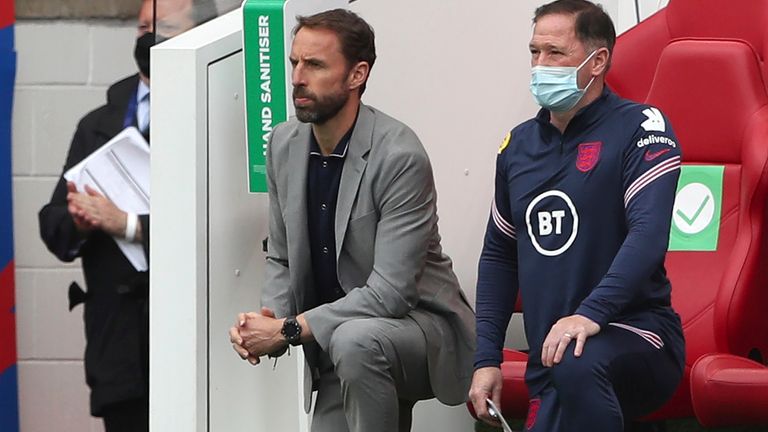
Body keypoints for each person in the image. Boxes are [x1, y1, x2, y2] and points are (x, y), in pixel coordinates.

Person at [228, 9, 475, 432]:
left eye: (316, 65)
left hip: (419, 329)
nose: (298, 78)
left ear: (357, 74)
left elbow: (391, 293)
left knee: (354, 340)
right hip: (336, 342)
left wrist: (287, 330)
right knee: (347, 341)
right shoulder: (284, 144)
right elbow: (283, 258)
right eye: (294, 63)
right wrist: (267, 319)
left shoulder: (399, 156)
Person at [468, 1, 685, 431]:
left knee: (576, 363)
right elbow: (499, 255)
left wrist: (590, 314)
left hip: (637, 335)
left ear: (598, 60)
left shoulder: (641, 127)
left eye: (554, 53)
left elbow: (648, 234)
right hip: (552, 355)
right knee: (565, 365)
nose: (539, 65)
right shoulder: (518, 145)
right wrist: (487, 358)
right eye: (534, 52)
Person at [37, 0, 214, 430]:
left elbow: (218, 229)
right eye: (142, 26)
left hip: (190, 336)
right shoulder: (97, 123)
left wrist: (131, 225)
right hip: (117, 343)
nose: (149, 35)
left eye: (164, 26)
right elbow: (54, 222)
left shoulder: (214, 115)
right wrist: (81, 218)